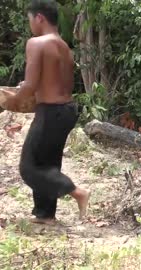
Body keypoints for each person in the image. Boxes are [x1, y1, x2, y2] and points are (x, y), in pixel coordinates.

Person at [5, 0, 90, 225]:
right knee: (48, 163)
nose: (30, 25)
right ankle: (46, 214)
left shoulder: (37, 43)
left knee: (28, 167)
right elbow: (54, 83)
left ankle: (76, 192)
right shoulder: (63, 46)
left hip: (51, 112)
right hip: (67, 110)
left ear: (39, 18)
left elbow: (30, 86)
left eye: (30, 19)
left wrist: (12, 100)